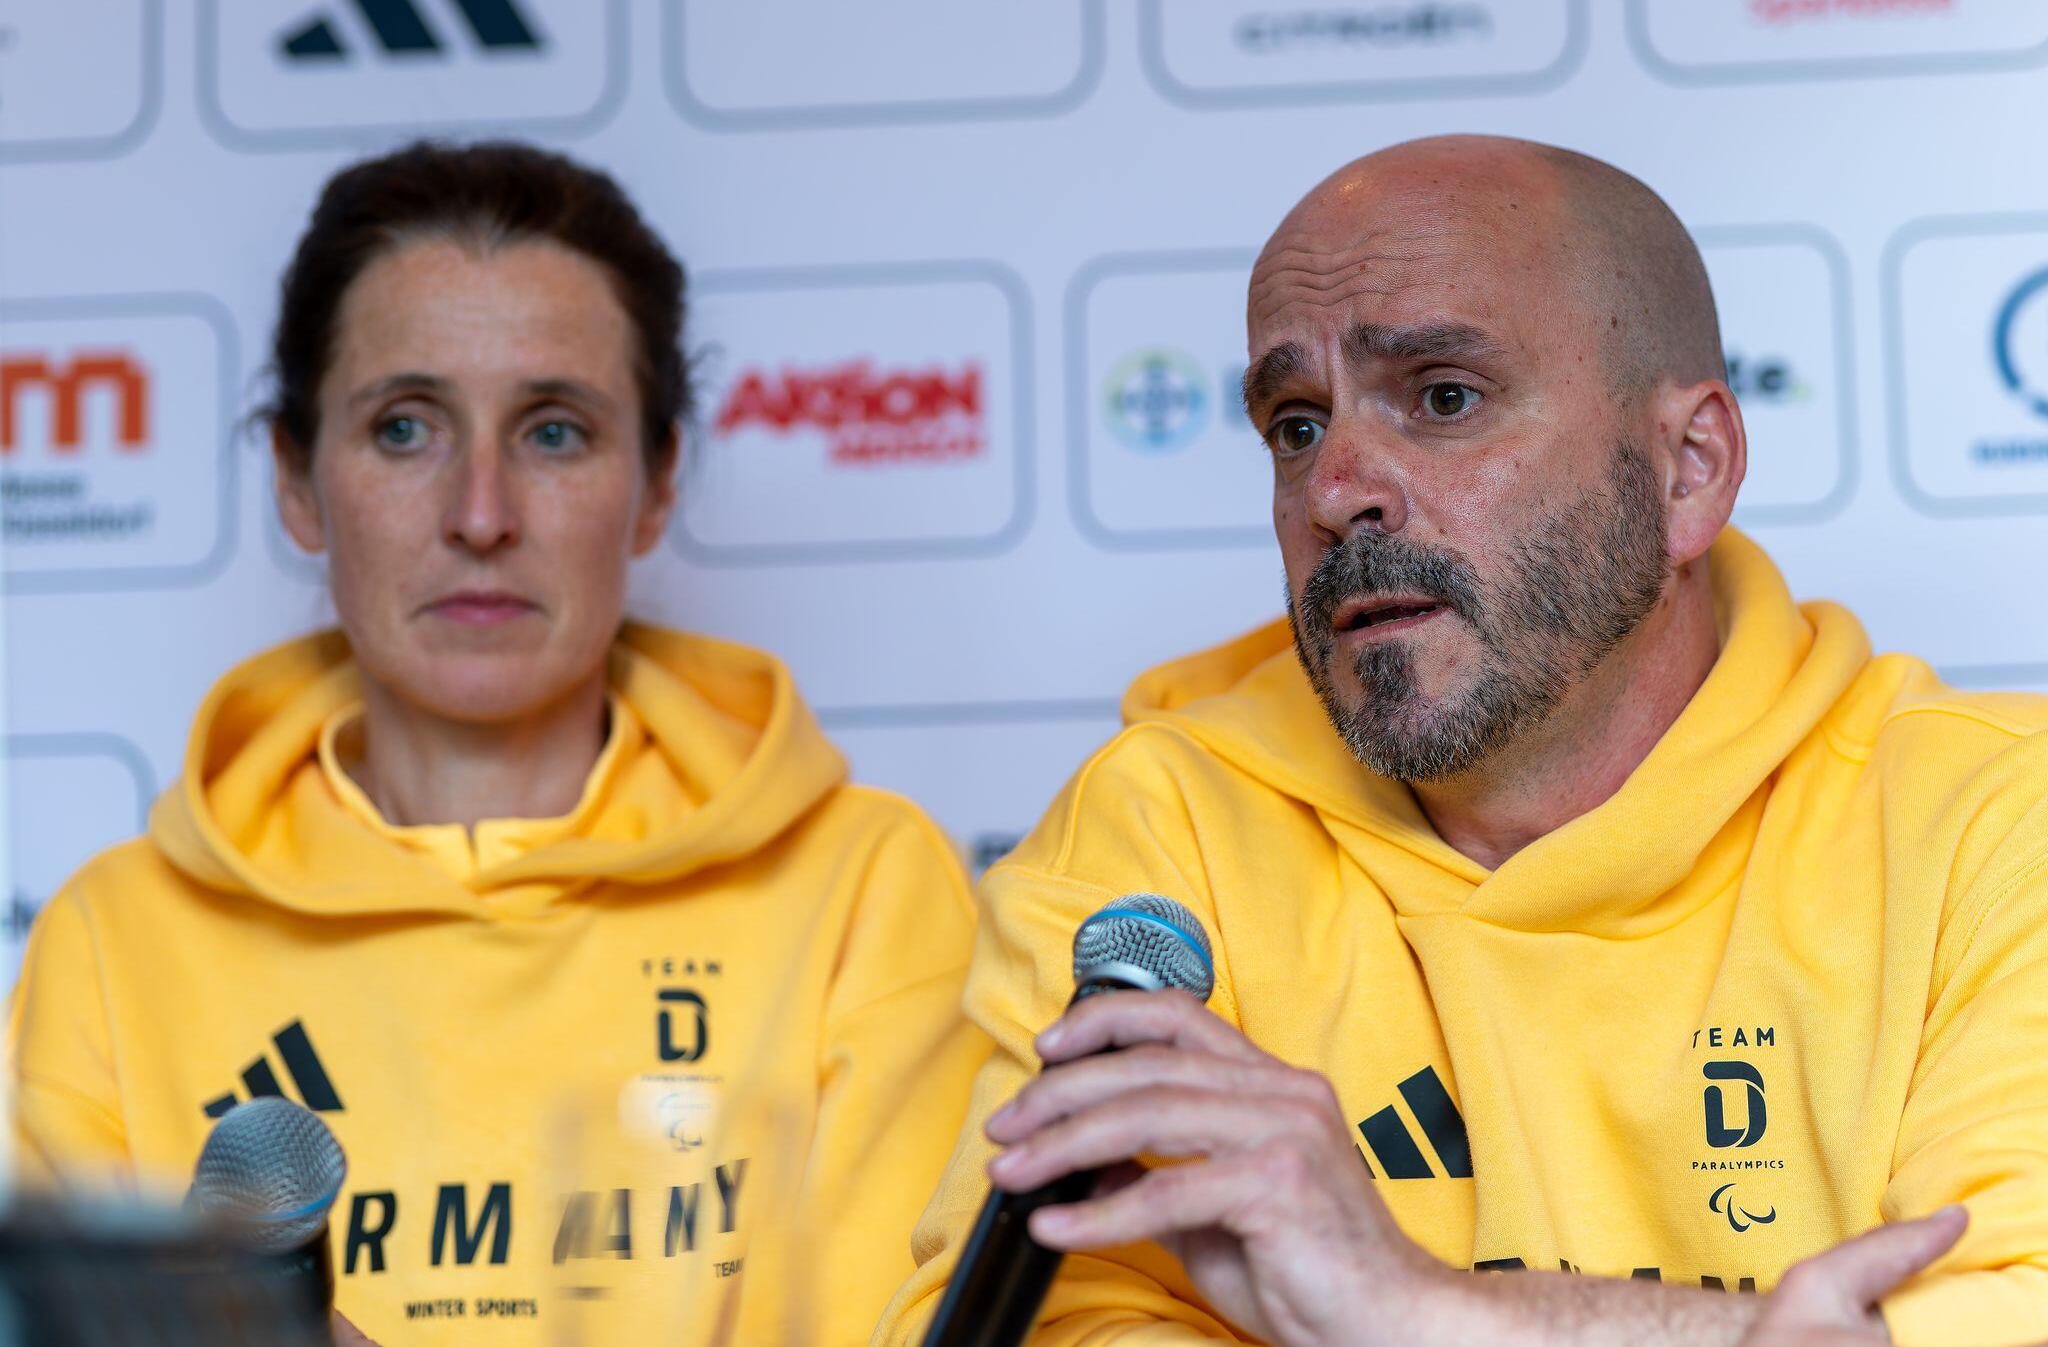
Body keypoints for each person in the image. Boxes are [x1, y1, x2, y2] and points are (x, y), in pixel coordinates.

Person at [878, 135, 2048, 1346]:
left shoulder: (1992, 819)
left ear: (1686, 468)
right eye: (1293, 424)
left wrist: (1415, 1308)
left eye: (1443, 397)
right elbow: (1021, 1326)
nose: (1335, 489)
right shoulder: (1166, 833)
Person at [8, 141, 984, 1346]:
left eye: (554, 433)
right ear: (297, 478)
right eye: (404, 429)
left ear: (658, 481)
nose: (480, 515)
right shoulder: (115, 943)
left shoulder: (866, 891)